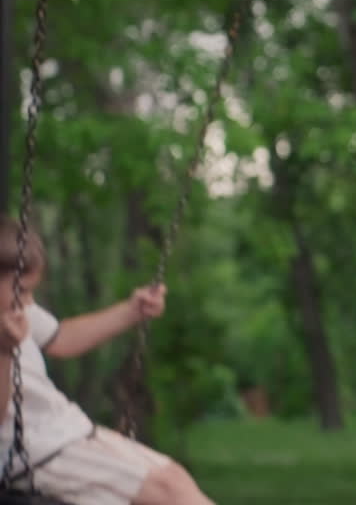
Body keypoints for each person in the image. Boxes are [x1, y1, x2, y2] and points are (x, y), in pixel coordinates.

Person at [0, 216, 214, 505]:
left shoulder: (14, 309)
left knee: (174, 478)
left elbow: (61, 338)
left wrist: (131, 311)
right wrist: (4, 352)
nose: (28, 302)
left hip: (70, 433)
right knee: (168, 493)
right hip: (38, 456)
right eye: (21, 290)